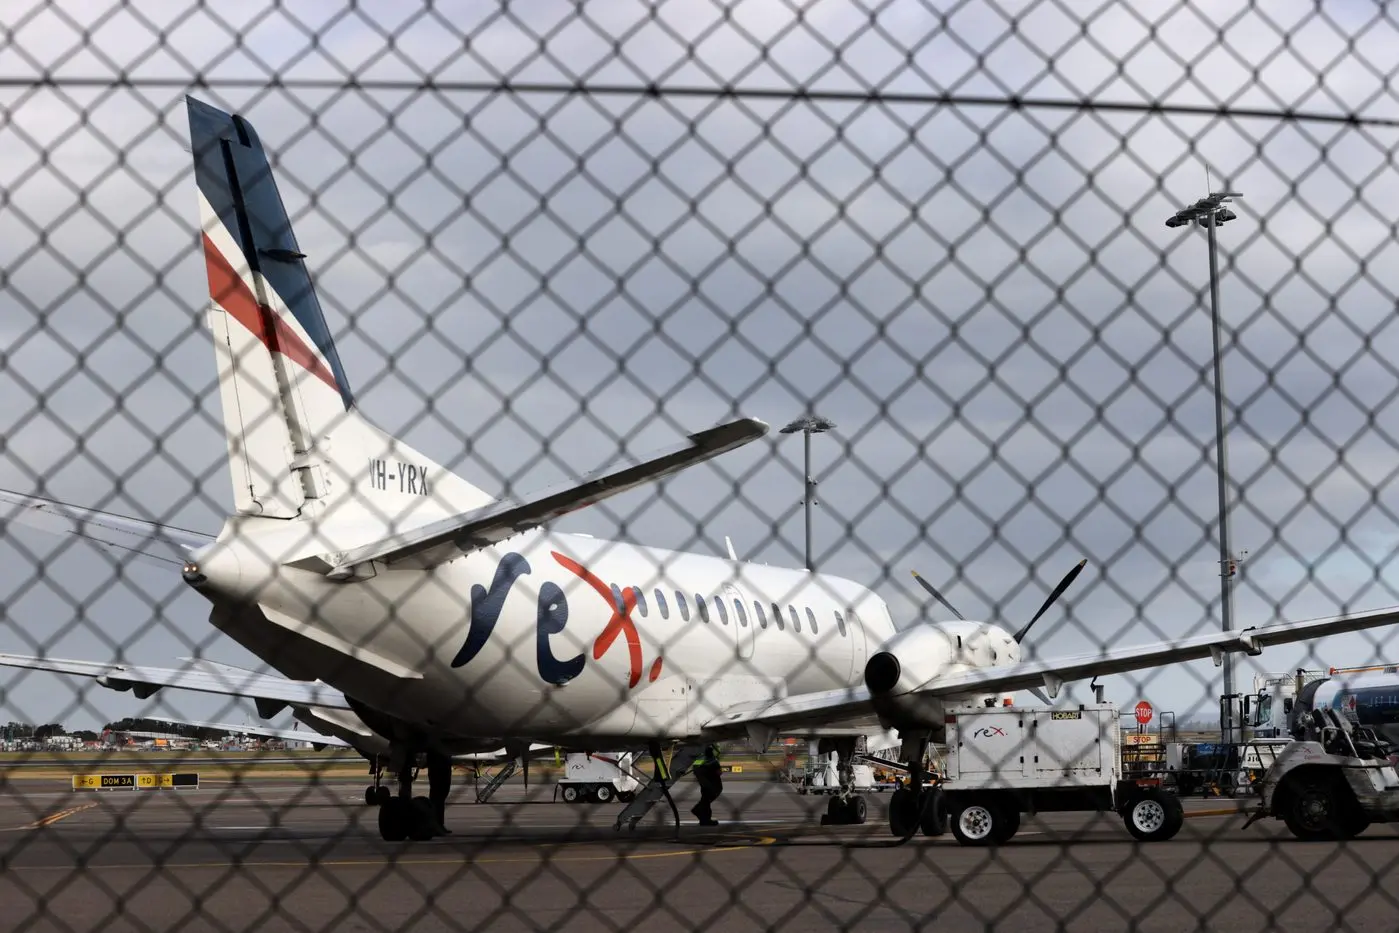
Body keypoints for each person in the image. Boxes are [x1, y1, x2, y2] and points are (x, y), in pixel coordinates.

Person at [690, 743, 723, 826]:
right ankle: (702, 816)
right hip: (712, 784)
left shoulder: (700, 759)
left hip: (704, 784)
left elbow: (695, 768)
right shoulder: (714, 761)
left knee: (705, 800)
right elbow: (719, 772)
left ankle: (701, 815)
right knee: (707, 801)